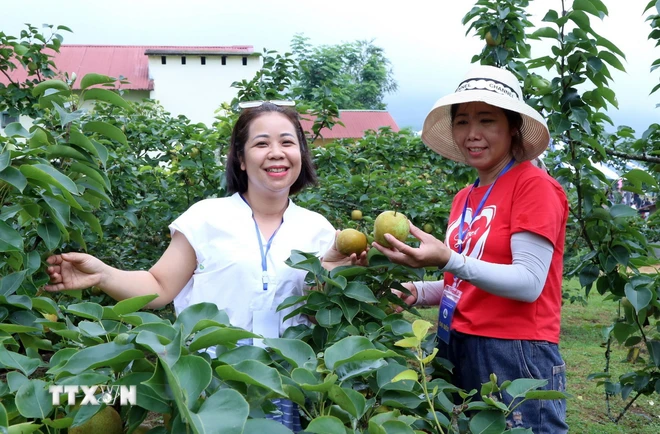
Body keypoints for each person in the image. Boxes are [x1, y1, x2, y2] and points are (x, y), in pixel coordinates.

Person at [44, 101, 365, 432]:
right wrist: (104, 274)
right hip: (211, 374)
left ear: (301, 153)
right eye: (261, 143)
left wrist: (326, 275)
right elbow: (159, 286)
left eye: (287, 142)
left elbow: (315, 314)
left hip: (285, 380)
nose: (276, 152)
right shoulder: (206, 217)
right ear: (240, 158)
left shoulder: (319, 230)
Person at [373, 65, 569, 433]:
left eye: (486, 120)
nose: (472, 134)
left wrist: (448, 258)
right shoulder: (464, 197)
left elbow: (528, 283)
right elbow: (466, 283)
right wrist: (416, 292)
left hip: (514, 352)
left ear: (512, 126)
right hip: (456, 341)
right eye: (462, 122)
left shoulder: (534, 186)